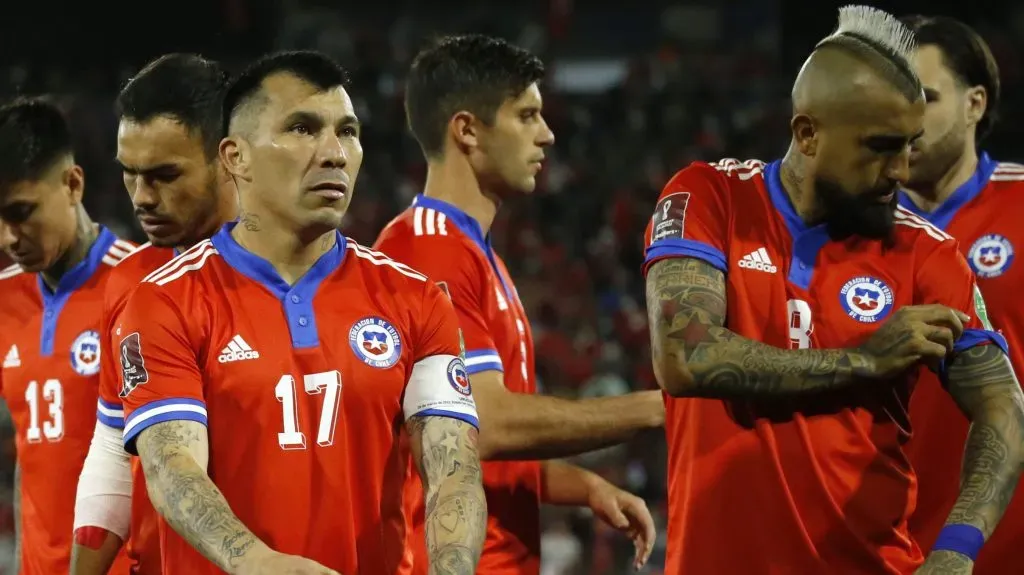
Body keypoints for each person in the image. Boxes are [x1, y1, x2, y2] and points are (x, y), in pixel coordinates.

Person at [642, 6, 1024, 575]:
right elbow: (685, 355)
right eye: (881, 146)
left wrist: (956, 549)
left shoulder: (926, 252)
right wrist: (864, 361)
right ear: (808, 133)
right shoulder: (710, 197)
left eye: (910, 145)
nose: (901, 169)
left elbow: (1003, 406)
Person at [116, 50, 487, 575]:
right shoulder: (164, 302)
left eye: (348, 131)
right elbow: (173, 467)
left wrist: (453, 567)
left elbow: (454, 469)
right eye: (302, 128)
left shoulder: (418, 299)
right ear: (235, 157)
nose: (334, 153)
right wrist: (259, 564)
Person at [374, 34, 661, 575]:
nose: (547, 135)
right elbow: (484, 424)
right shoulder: (426, 250)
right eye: (527, 115)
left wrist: (585, 486)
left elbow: (482, 450)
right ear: (467, 130)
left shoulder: (469, 251)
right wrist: (660, 408)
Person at [71, 53, 237, 575]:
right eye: (130, 174)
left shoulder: (303, 278)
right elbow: (113, 456)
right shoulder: (127, 281)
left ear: (228, 157)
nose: (142, 198)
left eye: (165, 175)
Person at [898, 15, 1024, 575]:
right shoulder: (847, 229)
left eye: (924, 97)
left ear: (975, 104)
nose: (906, 117)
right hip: (881, 547)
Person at [0, 98, 134, 574]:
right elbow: (28, 455)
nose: (8, 237)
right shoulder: (4, 298)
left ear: (73, 183)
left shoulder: (140, 287)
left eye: (21, 212)